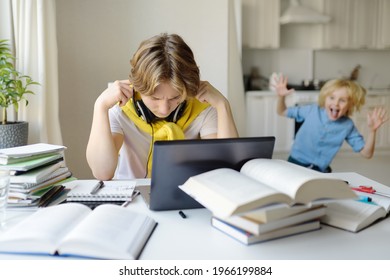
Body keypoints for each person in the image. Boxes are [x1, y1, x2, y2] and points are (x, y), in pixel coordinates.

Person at [86, 33, 238, 180]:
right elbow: (102, 172)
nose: (164, 109)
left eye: (176, 97)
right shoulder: (121, 106)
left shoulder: (201, 107)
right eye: (155, 98)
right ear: (137, 87)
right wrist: (100, 107)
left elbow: (226, 169)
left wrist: (223, 106)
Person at [274, 74, 388, 173]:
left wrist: (372, 131)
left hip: (319, 170)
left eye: (342, 100)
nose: (336, 103)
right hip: (295, 163)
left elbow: (367, 154)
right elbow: (282, 111)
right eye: (332, 98)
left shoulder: (347, 125)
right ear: (325, 98)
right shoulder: (312, 110)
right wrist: (281, 97)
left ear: (351, 104)